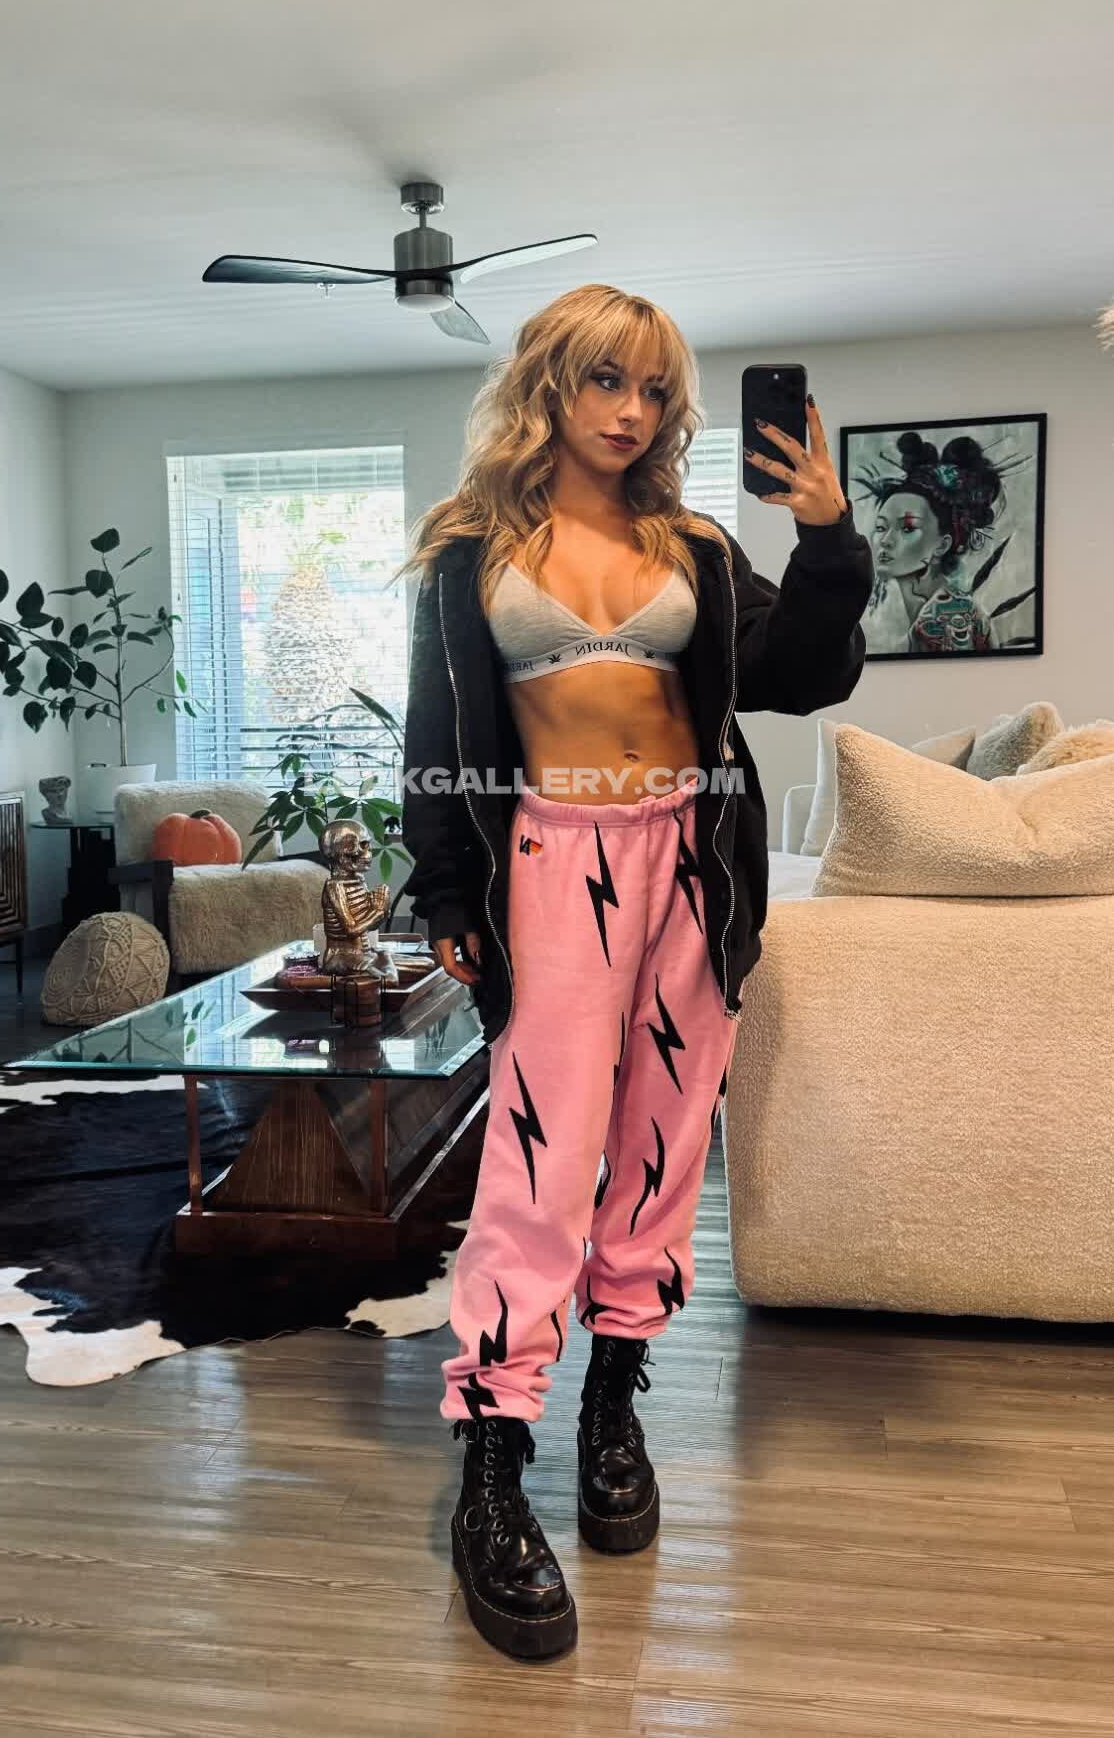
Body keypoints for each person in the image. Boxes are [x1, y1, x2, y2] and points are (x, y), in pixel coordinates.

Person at [394, 283, 873, 1660]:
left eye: (655, 389)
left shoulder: (696, 546)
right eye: (606, 379)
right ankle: (493, 1465)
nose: (631, 411)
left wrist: (826, 534)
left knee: (663, 1147)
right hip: (551, 862)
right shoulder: (470, 548)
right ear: (548, 384)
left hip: (692, 863)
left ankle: (613, 1405)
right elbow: (436, 732)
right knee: (537, 1160)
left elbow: (805, 674)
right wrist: (446, 889)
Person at [857, 430, 1008, 653]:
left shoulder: (949, 618)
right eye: (881, 527)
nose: (886, 541)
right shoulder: (915, 611)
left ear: (942, 545)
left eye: (907, 528)